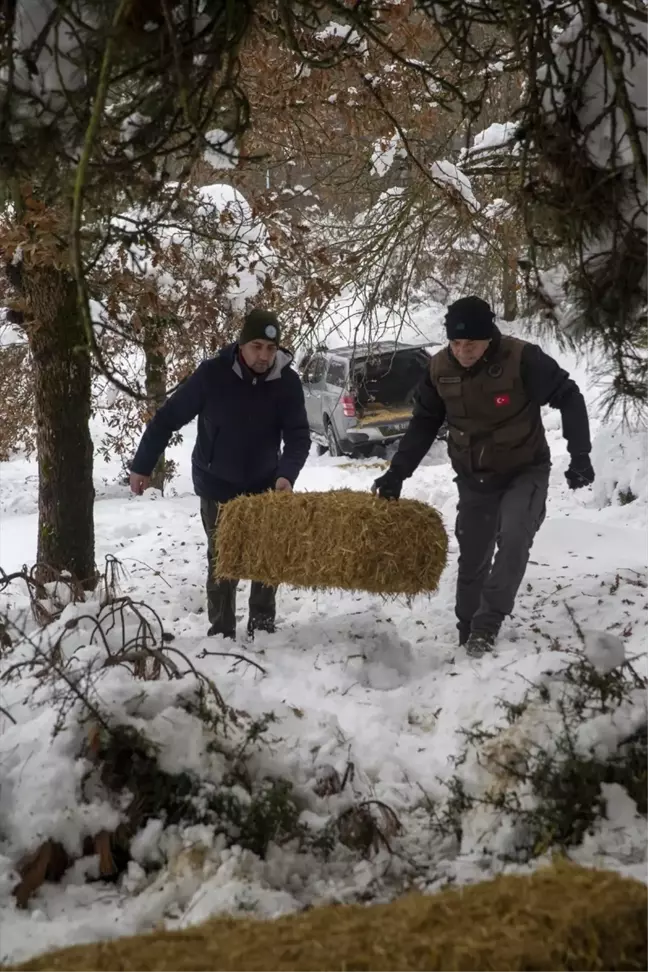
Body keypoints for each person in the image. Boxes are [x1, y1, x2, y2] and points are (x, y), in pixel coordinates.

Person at [372, 296, 594, 657]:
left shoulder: (522, 359)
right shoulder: (439, 369)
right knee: (473, 553)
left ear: (488, 336)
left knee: (515, 534)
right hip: (475, 477)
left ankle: (488, 623)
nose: (463, 351)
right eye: (456, 343)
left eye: (470, 344)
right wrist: (397, 473)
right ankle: (467, 624)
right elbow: (424, 422)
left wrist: (580, 454)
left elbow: (568, 396)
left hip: (525, 469)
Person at [129, 309, 311, 640]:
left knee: (267, 554)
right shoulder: (212, 375)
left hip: (264, 482)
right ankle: (223, 630)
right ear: (242, 344)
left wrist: (286, 476)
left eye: (271, 349)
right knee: (223, 558)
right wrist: (143, 464)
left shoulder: (286, 382)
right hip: (217, 483)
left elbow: (299, 436)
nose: (264, 356)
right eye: (257, 346)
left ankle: (263, 625)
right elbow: (168, 418)